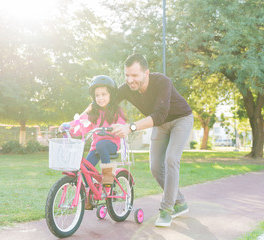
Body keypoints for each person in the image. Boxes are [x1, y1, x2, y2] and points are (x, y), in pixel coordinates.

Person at [111, 53, 194, 227]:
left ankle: (166, 210)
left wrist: (130, 127)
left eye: (134, 75)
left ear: (146, 73)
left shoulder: (162, 82)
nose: (130, 79)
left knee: (171, 159)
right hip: (160, 124)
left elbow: (159, 114)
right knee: (156, 167)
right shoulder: (127, 88)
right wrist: (80, 117)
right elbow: (105, 100)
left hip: (181, 119)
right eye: (127, 75)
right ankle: (180, 202)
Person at [59, 75, 127, 209]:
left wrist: (115, 127)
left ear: (111, 95)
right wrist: (67, 127)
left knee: (102, 144)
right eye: (97, 95)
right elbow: (80, 124)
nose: (100, 98)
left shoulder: (116, 111)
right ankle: (90, 194)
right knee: (84, 168)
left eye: (104, 94)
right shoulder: (93, 112)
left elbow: (122, 124)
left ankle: (108, 178)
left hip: (111, 145)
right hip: (96, 147)